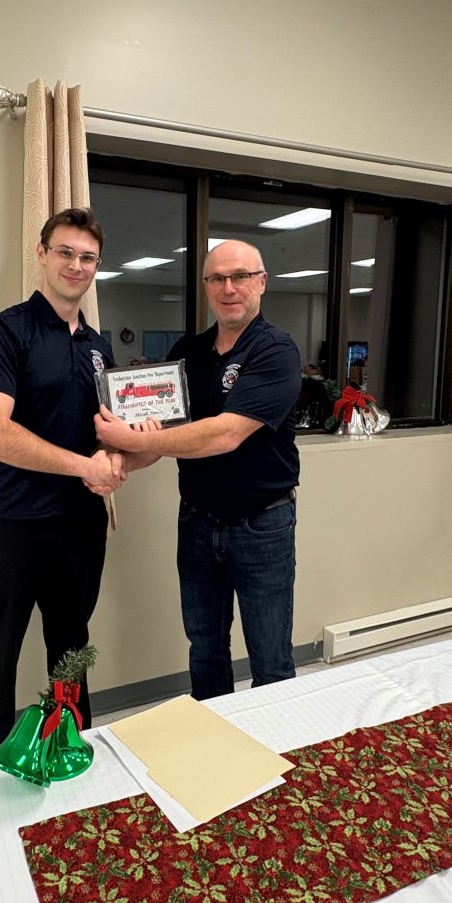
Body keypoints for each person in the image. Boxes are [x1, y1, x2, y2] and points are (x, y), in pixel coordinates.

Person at [95, 239, 302, 700]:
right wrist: (116, 460)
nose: (229, 288)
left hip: (261, 525)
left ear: (261, 282)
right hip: (197, 522)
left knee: (270, 657)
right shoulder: (188, 352)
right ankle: (212, 736)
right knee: (205, 649)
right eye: (217, 278)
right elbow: (165, 439)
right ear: (206, 286)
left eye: (240, 276)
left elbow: (224, 435)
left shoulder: (276, 351)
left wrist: (135, 441)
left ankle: (278, 742)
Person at [0, 206, 124, 759]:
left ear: (97, 266)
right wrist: (84, 467)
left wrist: (120, 454)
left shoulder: (100, 349)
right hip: (8, 524)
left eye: (88, 258)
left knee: (72, 651)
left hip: (79, 528)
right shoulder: (3, 332)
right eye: (66, 253)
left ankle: (68, 748)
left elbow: (105, 432)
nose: (76, 266)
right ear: (41, 253)